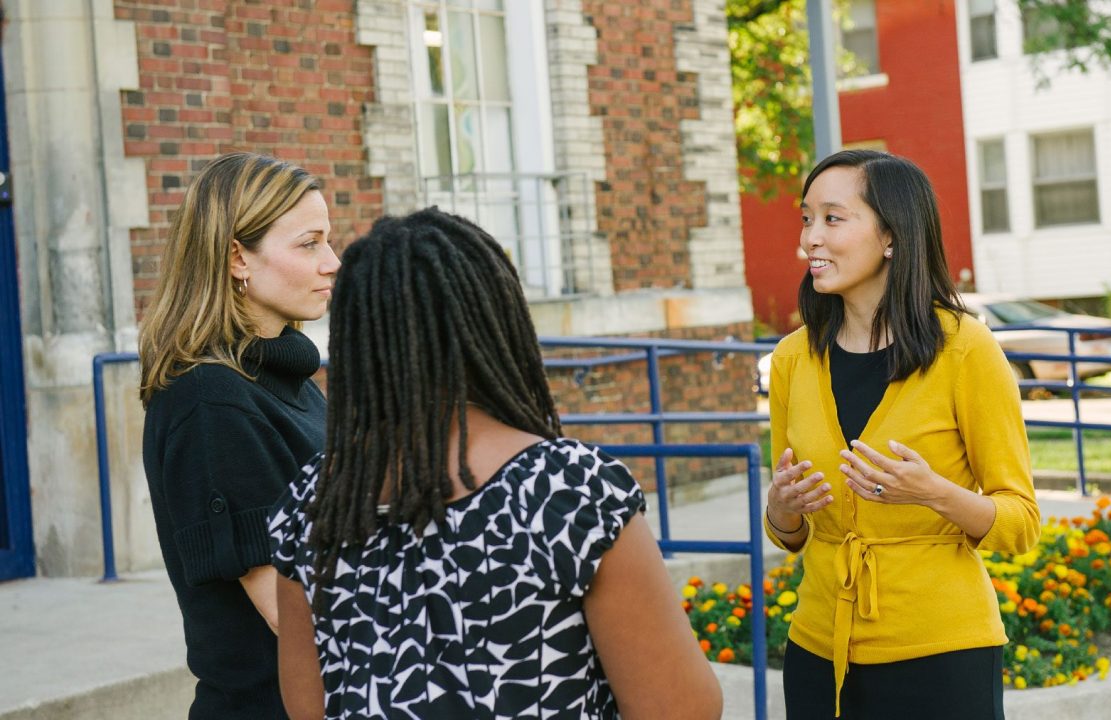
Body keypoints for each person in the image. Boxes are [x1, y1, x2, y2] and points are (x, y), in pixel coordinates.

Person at [268, 207, 722, 720]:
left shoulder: (314, 501)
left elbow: (308, 709)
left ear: (357, 338)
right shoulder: (569, 492)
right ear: (497, 320)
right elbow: (683, 709)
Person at [764, 149, 1041, 719]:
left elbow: (1020, 522)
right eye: (806, 218)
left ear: (892, 235)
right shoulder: (792, 359)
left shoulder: (967, 349)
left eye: (833, 219)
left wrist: (933, 491)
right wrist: (781, 509)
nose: (810, 239)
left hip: (941, 652)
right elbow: (792, 534)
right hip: (819, 649)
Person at [139, 152, 340, 718]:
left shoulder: (282, 381)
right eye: (309, 244)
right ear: (236, 257)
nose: (332, 262)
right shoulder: (211, 403)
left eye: (328, 241)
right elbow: (291, 614)